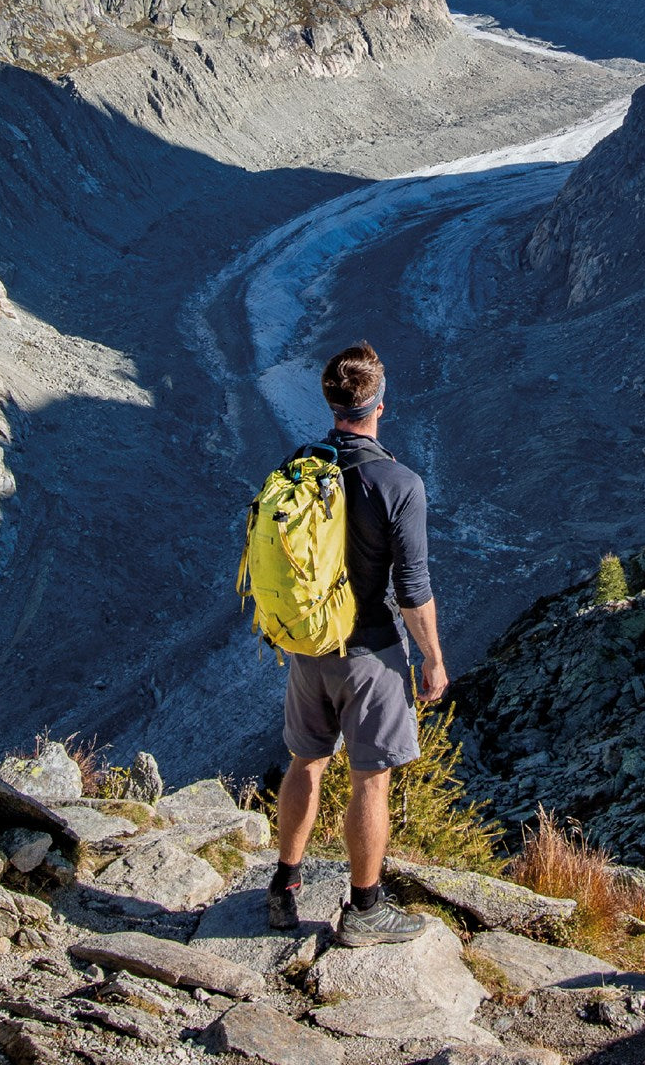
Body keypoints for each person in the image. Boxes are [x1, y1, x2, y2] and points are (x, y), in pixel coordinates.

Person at [268, 340, 449, 945]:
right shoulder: (398, 482)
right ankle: (366, 909)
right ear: (379, 404)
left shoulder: (300, 464)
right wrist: (432, 659)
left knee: (306, 760)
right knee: (371, 777)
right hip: (369, 654)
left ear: (331, 402)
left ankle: (283, 887)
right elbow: (414, 591)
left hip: (306, 650)